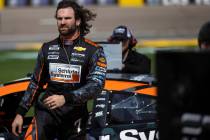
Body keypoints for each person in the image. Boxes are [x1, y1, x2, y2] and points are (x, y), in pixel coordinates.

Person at [11, 0, 107, 140]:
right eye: (59, 18)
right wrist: (20, 113)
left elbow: (97, 85)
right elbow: (35, 83)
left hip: (75, 114)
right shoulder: (46, 48)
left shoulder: (94, 51)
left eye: (67, 18)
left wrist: (66, 98)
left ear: (78, 21)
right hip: (46, 113)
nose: (62, 22)